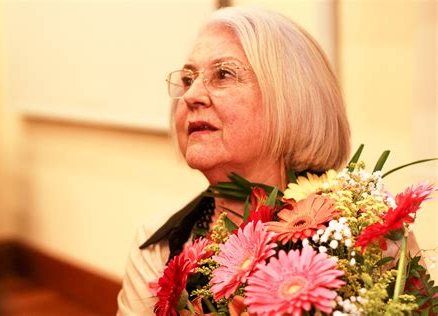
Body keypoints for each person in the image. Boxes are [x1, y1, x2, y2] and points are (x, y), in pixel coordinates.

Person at [117, 5, 350, 315]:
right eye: (188, 79)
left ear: (292, 98)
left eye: (224, 74)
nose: (190, 96)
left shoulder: (361, 231)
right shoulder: (156, 246)